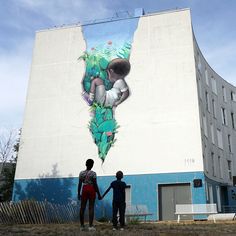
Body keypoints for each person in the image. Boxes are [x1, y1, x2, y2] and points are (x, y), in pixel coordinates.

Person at [78, 159, 101, 231]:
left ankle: (82, 226)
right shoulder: (93, 173)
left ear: (86, 164)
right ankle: (90, 226)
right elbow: (95, 184)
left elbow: (79, 184)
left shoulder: (81, 173)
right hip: (91, 189)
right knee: (91, 207)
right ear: (92, 165)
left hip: (84, 189)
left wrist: (78, 193)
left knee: (82, 207)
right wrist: (99, 194)